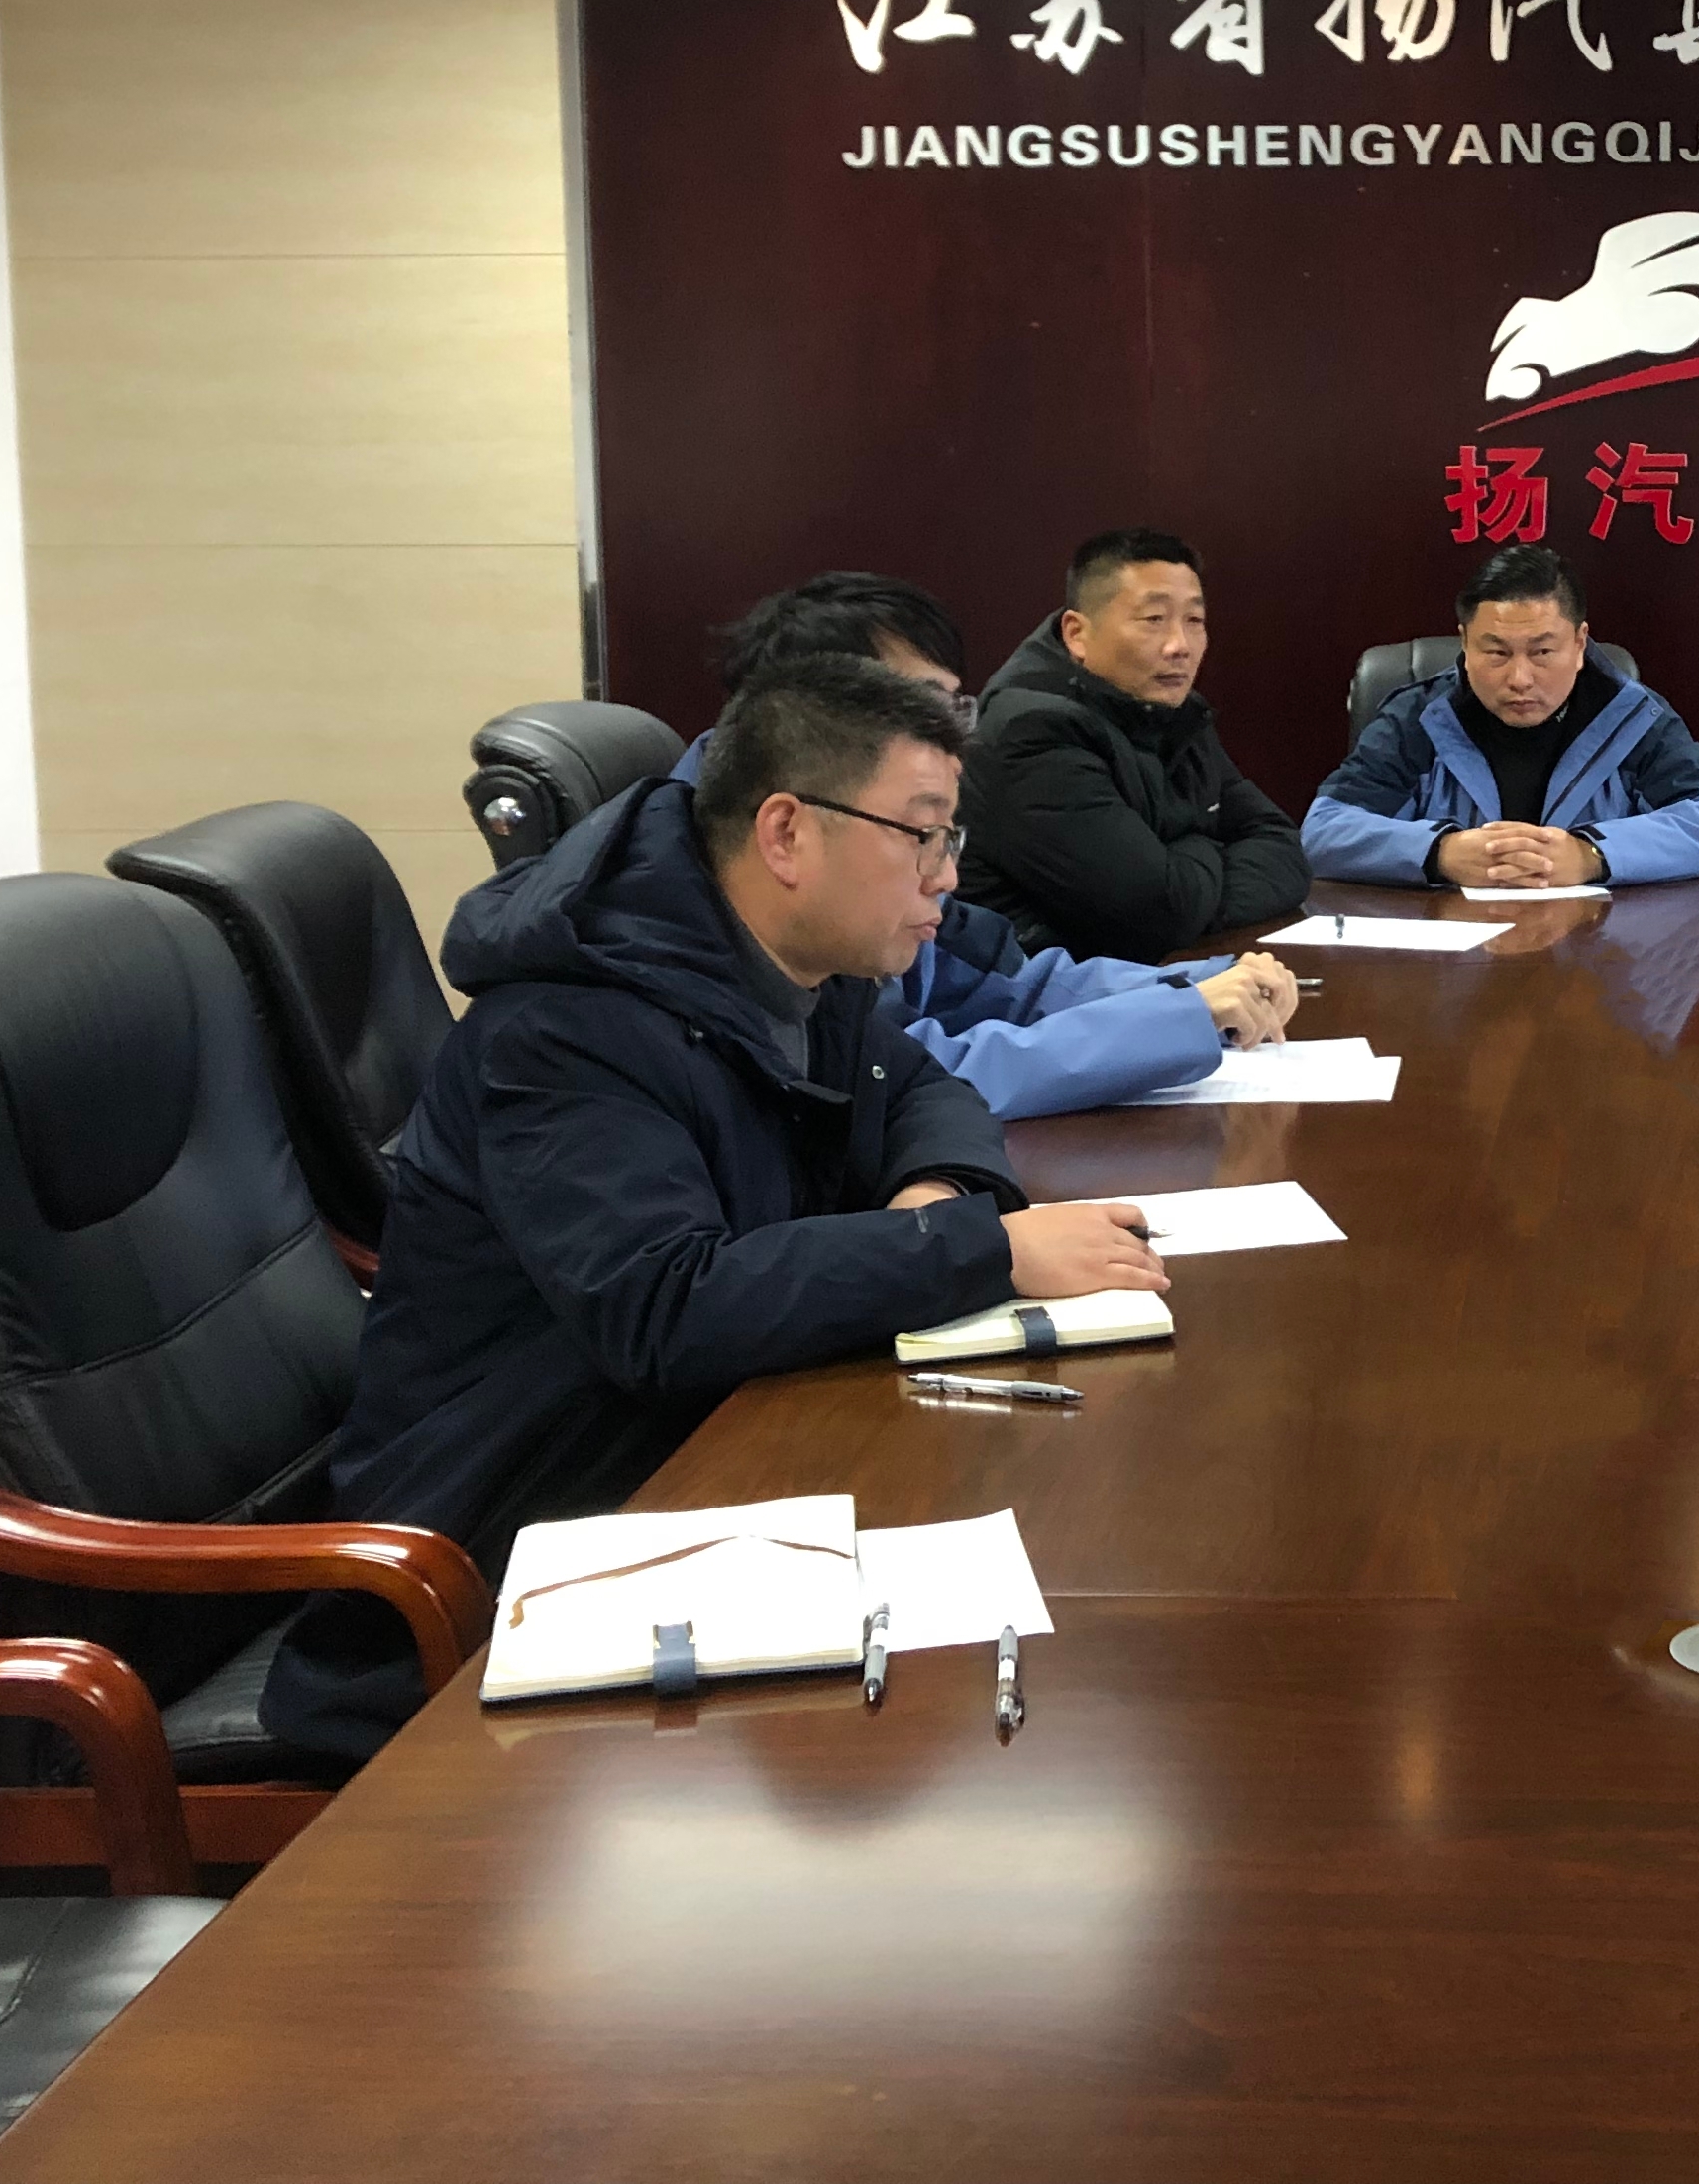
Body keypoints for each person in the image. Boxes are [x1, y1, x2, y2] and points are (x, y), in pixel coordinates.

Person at [262, 657, 1165, 1763]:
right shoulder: (566, 1031)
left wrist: (930, 1203)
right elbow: (666, 1306)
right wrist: (976, 1246)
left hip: (693, 1470)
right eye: (922, 834)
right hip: (506, 1574)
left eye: (951, 837)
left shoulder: (793, 964)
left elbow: (922, 1091)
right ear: (787, 833)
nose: (947, 876)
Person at [681, 572, 1298, 1117]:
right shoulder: (725, 881)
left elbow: (1002, 988)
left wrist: (1199, 987)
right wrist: (1172, 1022)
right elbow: (898, 1074)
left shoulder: (876, 838)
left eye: (953, 705)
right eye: (923, 706)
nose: (951, 735)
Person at [1304, 543, 1699, 887]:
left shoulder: (1631, 717)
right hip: (1450, 958)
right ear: (1465, 643)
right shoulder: (1419, 718)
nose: (1519, 679)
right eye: (1496, 652)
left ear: (1579, 643)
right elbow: (1323, 831)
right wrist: (1440, 853)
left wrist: (1590, 856)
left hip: (1596, 957)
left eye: (1542, 652)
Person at [960, 527, 1309, 960]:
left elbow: (1285, 851)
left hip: (1146, 971)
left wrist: (1181, 876)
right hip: (1039, 988)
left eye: (1194, 621)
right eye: (1154, 619)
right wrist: (1203, 840)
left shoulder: (1175, 712)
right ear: (1076, 634)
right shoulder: (1031, 731)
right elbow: (1158, 913)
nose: (1180, 646)